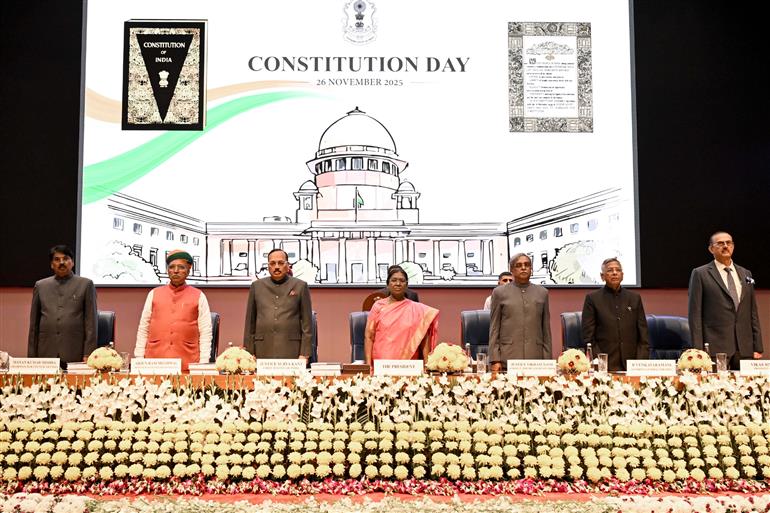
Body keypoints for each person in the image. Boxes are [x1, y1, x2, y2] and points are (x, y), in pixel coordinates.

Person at [688, 231, 763, 370]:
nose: (725, 246)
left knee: (748, 390)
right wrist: (698, 351)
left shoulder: (746, 274)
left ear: (733, 246)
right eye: (720, 243)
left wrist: (757, 346)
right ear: (711, 249)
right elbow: (695, 315)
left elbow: (752, 312)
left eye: (729, 243)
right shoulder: (700, 274)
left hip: (745, 348)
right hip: (716, 348)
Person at [134, 250, 212, 370]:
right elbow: (144, 327)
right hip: (154, 362)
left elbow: (205, 331)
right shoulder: (154, 294)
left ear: (188, 271)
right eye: (172, 267)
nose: (176, 271)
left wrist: (203, 363)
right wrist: (139, 358)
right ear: (167, 270)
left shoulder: (199, 295)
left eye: (181, 267)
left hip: (187, 362)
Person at [28, 244, 97, 364]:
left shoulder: (86, 285)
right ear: (51, 265)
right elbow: (34, 325)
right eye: (57, 259)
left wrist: (88, 354)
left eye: (65, 259)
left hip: (75, 352)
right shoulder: (40, 286)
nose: (61, 262)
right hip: (45, 353)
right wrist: (31, 356)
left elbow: (91, 323)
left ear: (72, 262)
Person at [243, 248, 313, 360]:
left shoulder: (300, 286)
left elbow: (307, 324)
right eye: (272, 263)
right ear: (268, 266)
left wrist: (304, 354)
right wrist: (249, 352)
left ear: (288, 265)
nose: (276, 267)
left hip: (292, 350)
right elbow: (250, 323)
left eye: (281, 263)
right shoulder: (256, 286)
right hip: (262, 349)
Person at [582, 257, 649, 372]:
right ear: (602, 276)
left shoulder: (634, 298)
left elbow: (643, 337)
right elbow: (589, 338)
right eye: (609, 270)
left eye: (617, 270)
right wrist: (600, 364)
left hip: (632, 366)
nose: (614, 273)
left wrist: (640, 364)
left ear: (622, 275)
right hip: (605, 366)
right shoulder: (593, 299)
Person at [364, 266, 439, 365]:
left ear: (406, 284)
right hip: (382, 364)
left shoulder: (418, 310)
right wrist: (368, 366)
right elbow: (369, 336)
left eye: (402, 281)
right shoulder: (378, 306)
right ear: (388, 284)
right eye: (394, 280)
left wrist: (427, 366)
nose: (398, 284)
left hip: (409, 364)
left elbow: (423, 338)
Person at [489, 254, 551, 371]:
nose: (523, 268)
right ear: (511, 270)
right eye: (519, 265)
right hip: (508, 358)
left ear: (531, 269)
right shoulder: (499, 292)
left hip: (535, 359)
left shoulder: (542, 293)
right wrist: (495, 359)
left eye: (527, 265)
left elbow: (546, 330)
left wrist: (547, 360)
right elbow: (494, 327)